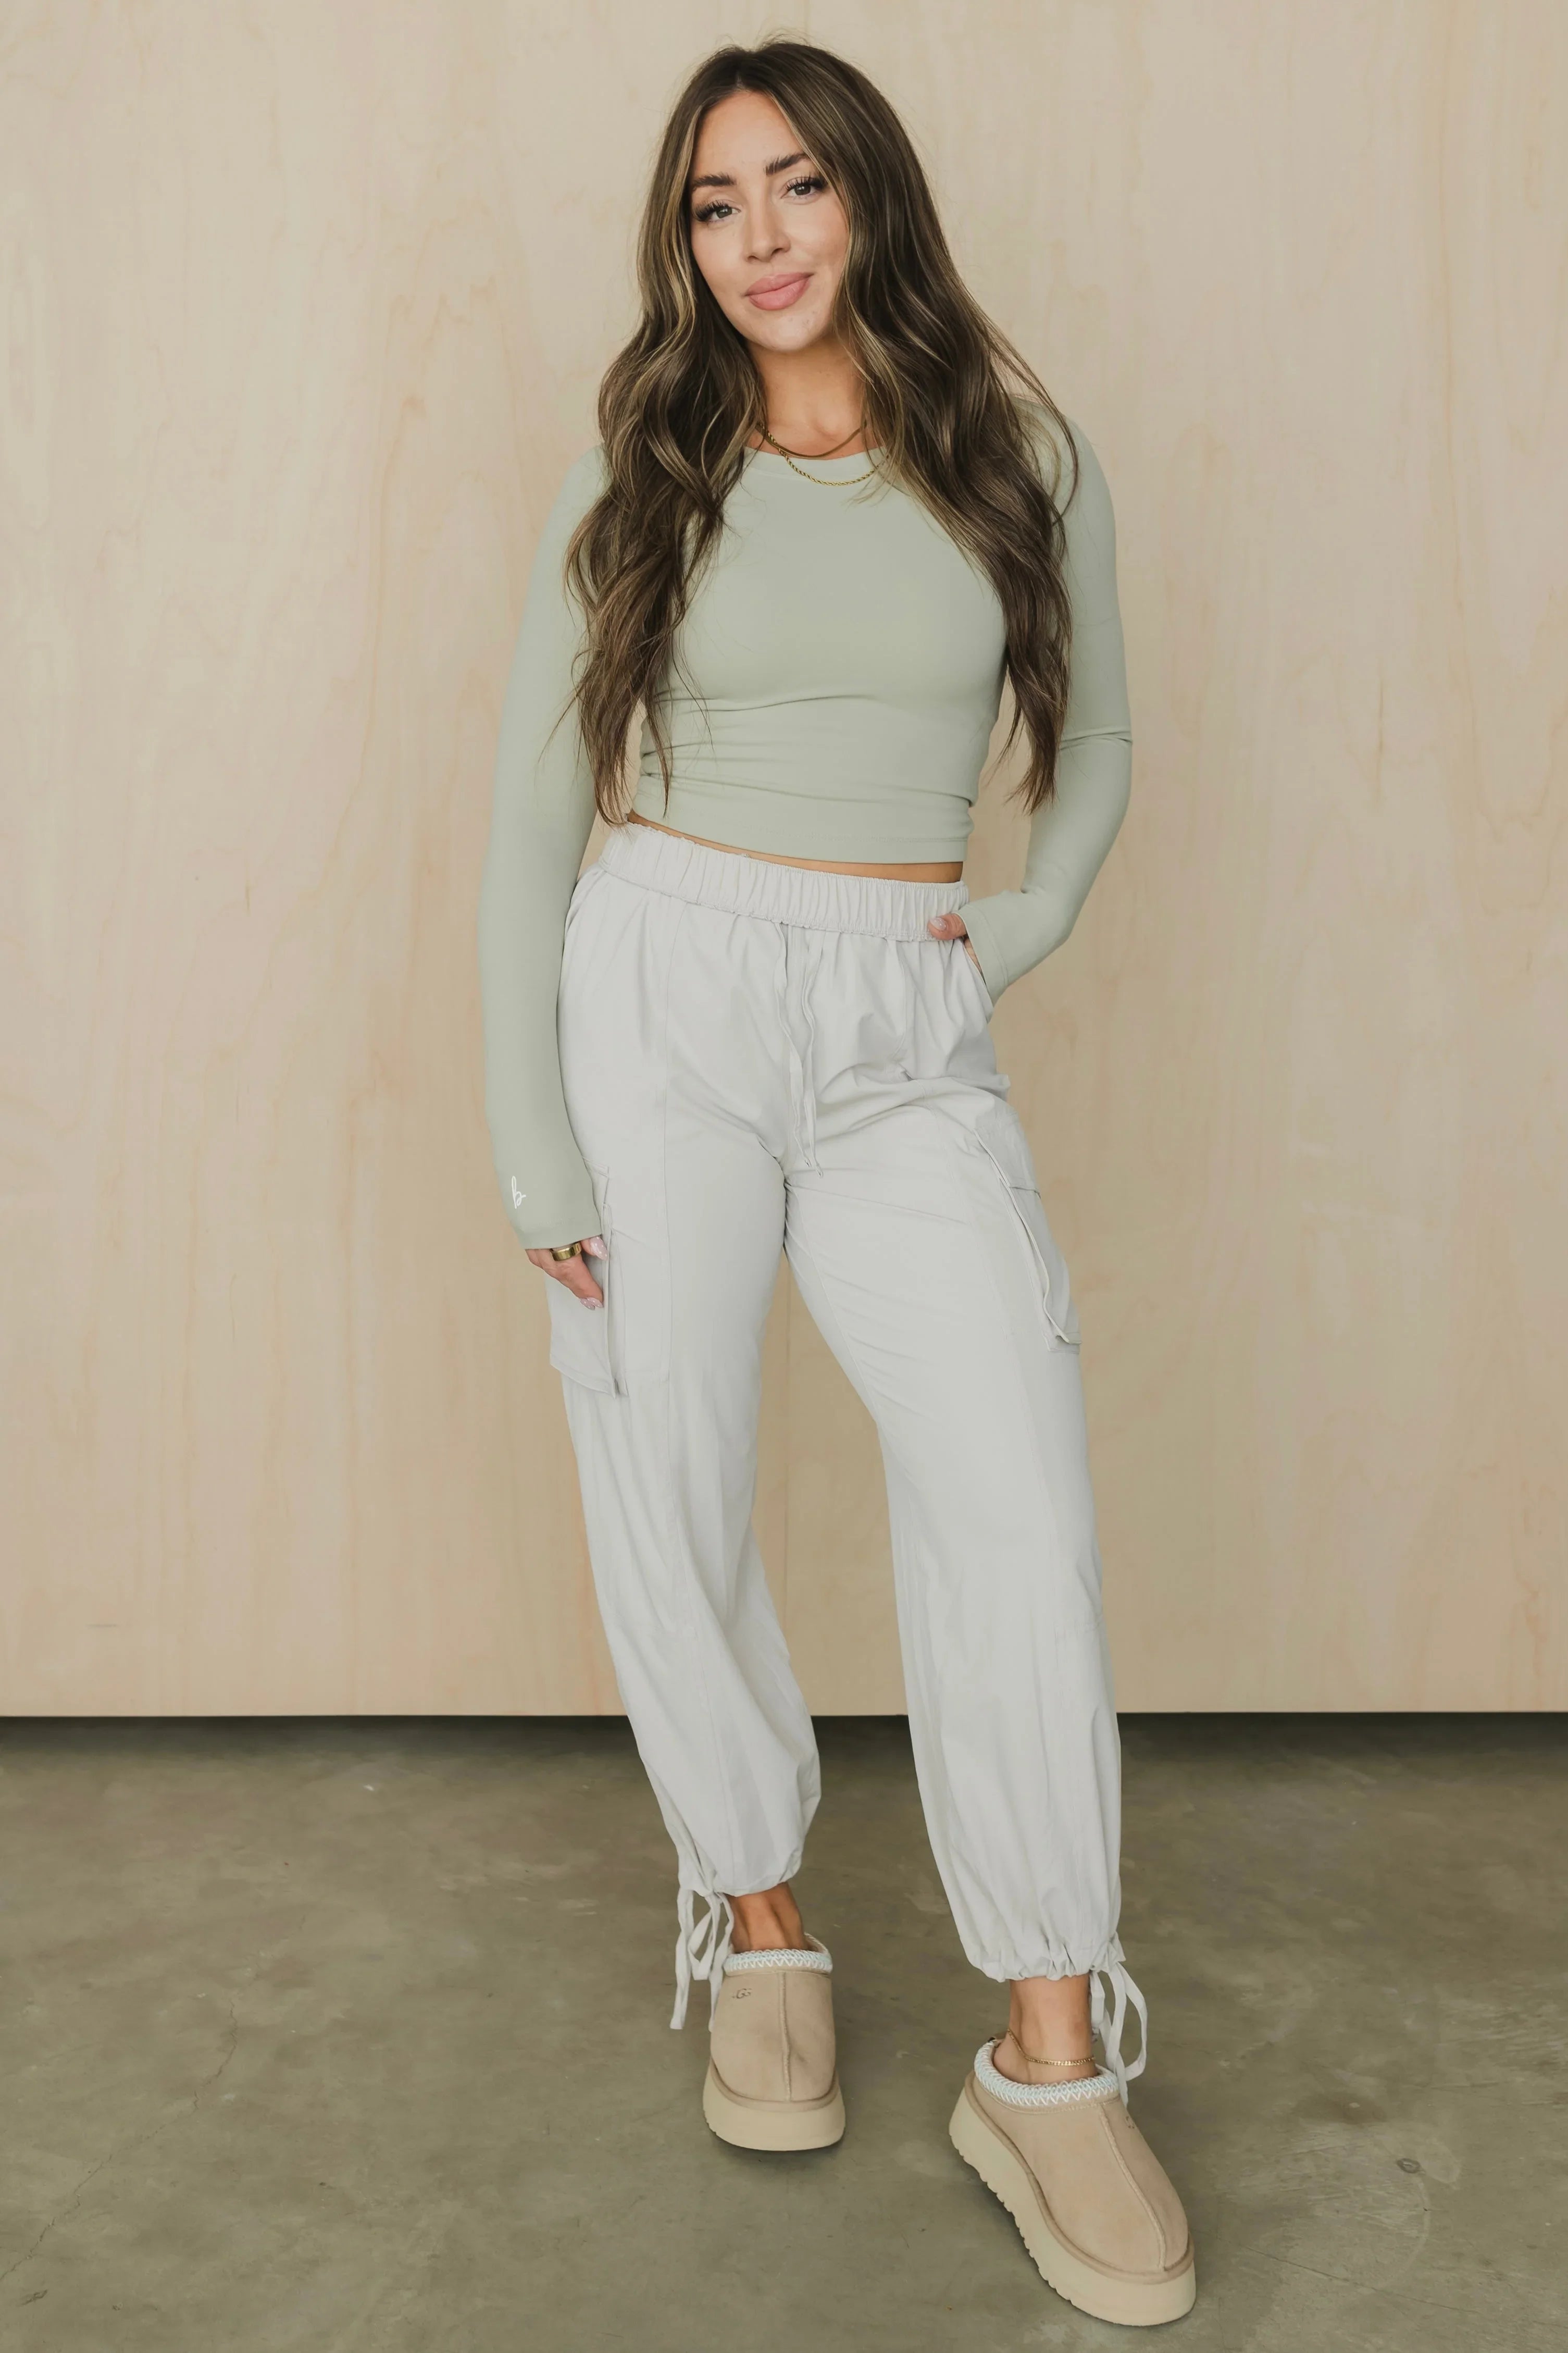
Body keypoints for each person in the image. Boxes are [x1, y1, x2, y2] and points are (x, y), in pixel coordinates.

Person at [478, 36, 1195, 2327]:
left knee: (1015, 1490)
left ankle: (1051, 2056)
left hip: (902, 1015)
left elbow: (1094, 748)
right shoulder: (652, 451)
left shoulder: (1024, 451)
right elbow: (524, 803)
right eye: (716, 205)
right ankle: (760, 1909)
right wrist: (533, 1126)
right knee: (668, 1465)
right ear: (686, 245)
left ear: (873, 199)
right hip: (660, 985)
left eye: (799, 187)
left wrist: (1037, 913)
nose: (762, 237)